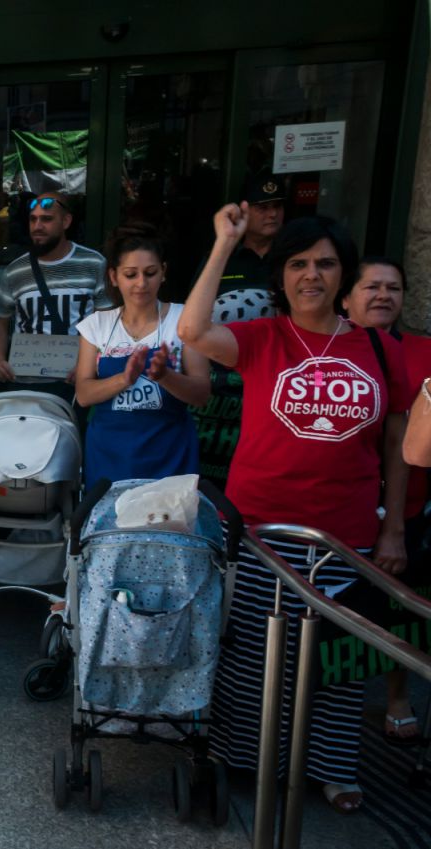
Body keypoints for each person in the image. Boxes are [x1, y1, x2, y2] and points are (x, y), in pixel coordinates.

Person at [179, 205, 411, 815]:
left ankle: (331, 769)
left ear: (345, 275)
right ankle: (246, 760)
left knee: (336, 661)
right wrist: (224, 243)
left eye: (327, 264)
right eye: (300, 263)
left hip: (350, 536)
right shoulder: (264, 338)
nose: (313, 275)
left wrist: (395, 527)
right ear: (280, 275)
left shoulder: (381, 351)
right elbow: (194, 332)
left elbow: (394, 442)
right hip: (264, 532)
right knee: (254, 654)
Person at [340, 257, 431, 745]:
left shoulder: (423, 352)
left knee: (402, 607)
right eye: (370, 286)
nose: (382, 296)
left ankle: (396, 696)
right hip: (339, 508)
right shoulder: (333, 347)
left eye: (393, 288)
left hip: (407, 505)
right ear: (346, 297)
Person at [74, 223, 210, 484]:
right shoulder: (96, 325)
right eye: (130, 274)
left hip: (169, 455)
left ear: (164, 273)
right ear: (114, 277)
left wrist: (164, 376)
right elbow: (83, 394)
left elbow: (201, 394)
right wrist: (124, 379)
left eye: (150, 273)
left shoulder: (184, 321)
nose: (141, 283)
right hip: (109, 455)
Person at [190, 171, 286, 488]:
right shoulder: (222, 259)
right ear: (244, 210)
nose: (271, 213)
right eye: (262, 207)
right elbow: (195, 319)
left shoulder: (293, 260)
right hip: (221, 388)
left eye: (277, 206)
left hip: (274, 383)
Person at [0, 192, 108, 399]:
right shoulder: (15, 270)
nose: (38, 226)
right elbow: (0, 320)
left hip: (77, 382)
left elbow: (107, 321)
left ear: (66, 221)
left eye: (47, 219)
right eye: (33, 219)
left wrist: (91, 364)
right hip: (24, 381)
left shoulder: (93, 263)